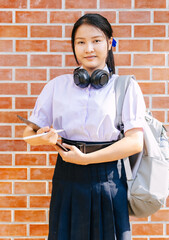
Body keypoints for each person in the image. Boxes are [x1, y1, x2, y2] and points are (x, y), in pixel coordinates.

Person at [23, 13, 146, 240]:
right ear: (74, 47)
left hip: (108, 181)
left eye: (96, 40)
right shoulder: (56, 86)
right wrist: (43, 137)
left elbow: (135, 142)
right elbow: (28, 134)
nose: (88, 48)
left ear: (110, 43)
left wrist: (87, 159)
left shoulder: (126, 87)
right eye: (80, 42)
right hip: (67, 180)